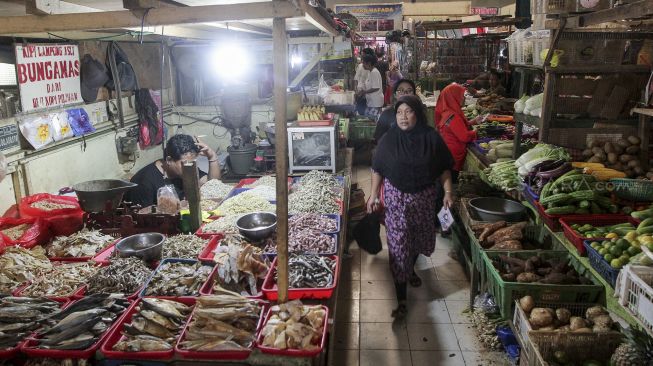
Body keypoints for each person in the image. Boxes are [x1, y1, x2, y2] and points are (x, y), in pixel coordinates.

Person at [367, 95, 455, 319]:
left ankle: (410, 267)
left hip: (424, 200)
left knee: (418, 239)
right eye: (399, 112)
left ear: (417, 113)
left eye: (408, 112)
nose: (403, 117)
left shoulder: (431, 138)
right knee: (398, 247)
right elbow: (378, 168)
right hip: (396, 201)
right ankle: (402, 299)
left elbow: (445, 168)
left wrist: (447, 192)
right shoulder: (389, 139)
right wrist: (374, 194)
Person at [125, 134, 221, 207]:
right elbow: (142, 220)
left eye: (193, 163)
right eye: (184, 163)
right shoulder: (145, 182)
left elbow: (212, 185)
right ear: (169, 160)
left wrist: (212, 157)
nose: (190, 167)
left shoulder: (188, 168)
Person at [357, 54, 384, 118]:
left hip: (375, 102)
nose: (362, 65)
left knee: (373, 120)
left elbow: (376, 88)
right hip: (371, 101)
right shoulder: (370, 72)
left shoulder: (374, 72)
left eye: (363, 63)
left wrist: (364, 92)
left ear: (369, 63)